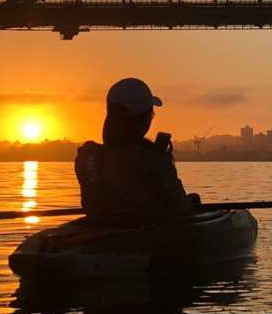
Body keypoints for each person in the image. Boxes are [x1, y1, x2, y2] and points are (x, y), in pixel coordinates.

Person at [75, 78, 198, 227]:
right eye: (151, 114)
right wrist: (191, 203)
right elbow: (180, 208)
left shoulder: (87, 157)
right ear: (144, 120)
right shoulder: (154, 159)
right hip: (143, 239)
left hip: (98, 232)